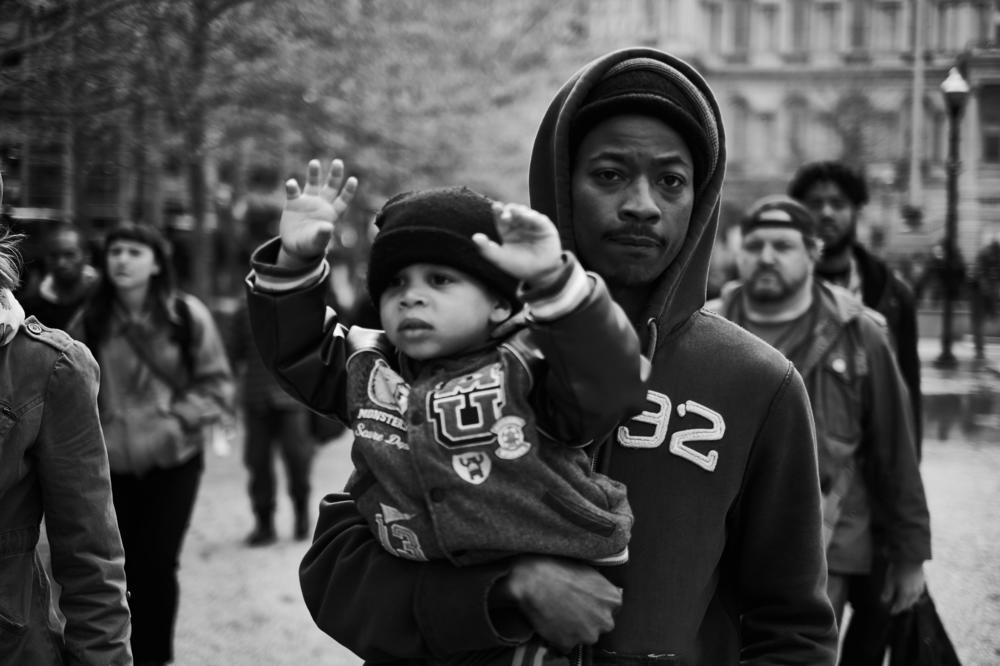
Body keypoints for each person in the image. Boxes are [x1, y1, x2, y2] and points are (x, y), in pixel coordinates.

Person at [248, 47, 838, 665]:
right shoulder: (456, 354)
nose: (642, 203)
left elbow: (793, 629)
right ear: (560, 182)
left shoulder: (756, 384)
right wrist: (504, 593)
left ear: (701, 199)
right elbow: (338, 570)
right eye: (610, 175)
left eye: (671, 180)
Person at [708, 196, 932, 664]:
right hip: (718, 541)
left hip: (831, 540)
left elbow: (895, 450)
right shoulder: (704, 326)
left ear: (814, 252)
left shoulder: (861, 333)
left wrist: (910, 556)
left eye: (783, 246)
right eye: (754, 244)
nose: (766, 256)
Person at [69, 221, 234, 666]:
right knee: (113, 570)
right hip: (107, 467)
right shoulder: (90, 319)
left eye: (135, 252)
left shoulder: (185, 316)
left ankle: (155, 658)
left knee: (158, 567)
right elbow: (67, 389)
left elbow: (217, 387)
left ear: (157, 263)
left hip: (173, 462)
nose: (122, 259)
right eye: (116, 250)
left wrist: (173, 422)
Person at [0, 172, 132, 664]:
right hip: (96, 440)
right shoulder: (55, 301)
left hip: (124, 448)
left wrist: (168, 428)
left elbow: (92, 561)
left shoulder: (50, 357)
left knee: (152, 562)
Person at [787, 161, 922, 453]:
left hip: (866, 468)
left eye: (837, 203)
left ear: (856, 210)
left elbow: (907, 392)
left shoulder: (893, 296)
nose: (826, 213)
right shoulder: (772, 290)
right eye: (815, 203)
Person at [228, 180, 318, 546]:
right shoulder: (241, 310)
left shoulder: (299, 303)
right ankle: (264, 523)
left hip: (291, 398)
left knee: (298, 461)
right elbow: (233, 356)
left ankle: (300, 516)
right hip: (255, 399)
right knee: (258, 466)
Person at [19, 221, 99, 330]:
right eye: (54, 255)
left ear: (87, 257)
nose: (61, 263)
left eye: (69, 254)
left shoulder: (101, 300)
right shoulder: (28, 308)